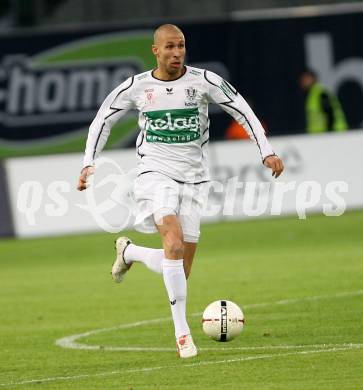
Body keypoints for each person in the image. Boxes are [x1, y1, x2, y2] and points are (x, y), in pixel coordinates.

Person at [77, 24, 284, 358]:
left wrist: (266, 151)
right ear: (155, 51)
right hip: (153, 174)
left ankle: (130, 252)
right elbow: (103, 120)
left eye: (181, 46)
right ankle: (182, 333)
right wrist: (89, 162)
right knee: (172, 244)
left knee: (179, 267)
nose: (176, 53)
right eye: (169, 47)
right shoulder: (137, 86)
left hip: (194, 180)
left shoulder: (203, 82)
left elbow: (242, 109)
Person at [299, 69, 348, 133]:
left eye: (305, 79)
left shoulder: (321, 94)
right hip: (321, 136)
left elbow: (330, 114)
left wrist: (329, 134)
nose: (303, 82)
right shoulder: (312, 95)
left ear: (313, 79)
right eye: (302, 80)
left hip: (334, 134)